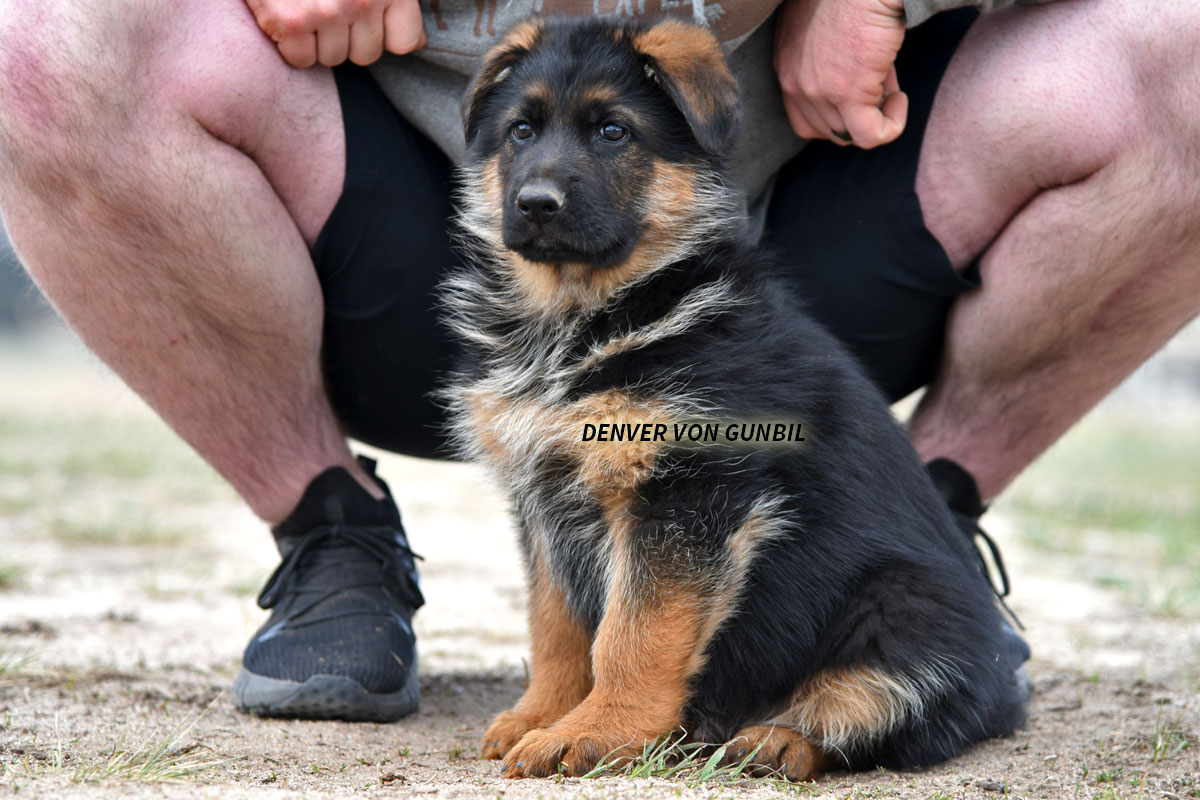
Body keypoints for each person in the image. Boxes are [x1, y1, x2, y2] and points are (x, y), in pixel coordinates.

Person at [0, 0, 1197, 723]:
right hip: (413, 229)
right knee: (43, 46)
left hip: (814, 210)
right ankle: (331, 535)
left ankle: (902, 536)